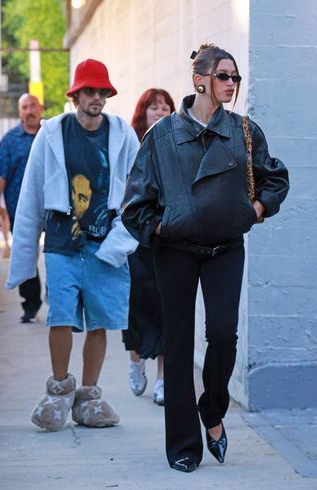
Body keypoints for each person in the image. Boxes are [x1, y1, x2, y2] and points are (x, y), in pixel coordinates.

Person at [121, 43, 289, 472]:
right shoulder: (161, 136)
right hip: (175, 251)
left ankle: (212, 410)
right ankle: (183, 445)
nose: (232, 84)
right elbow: (135, 203)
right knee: (177, 346)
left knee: (224, 335)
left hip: (225, 248)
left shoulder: (245, 132)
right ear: (200, 79)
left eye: (235, 77)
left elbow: (275, 178)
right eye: (224, 76)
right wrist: (166, 225)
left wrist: (252, 211)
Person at [6, 59, 139, 431]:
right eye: (89, 91)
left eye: (101, 92)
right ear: (76, 94)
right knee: (61, 315)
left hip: (104, 244)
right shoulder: (52, 133)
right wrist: (24, 258)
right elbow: (31, 194)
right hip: (63, 242)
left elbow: (139, 191)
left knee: (100, 321)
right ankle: (59, 389)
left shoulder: (122, 133)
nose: (96, 97)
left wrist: (122, 240)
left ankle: (89, 396)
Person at [123, 89, 175, 405]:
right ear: (142, 113)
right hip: (134, 239)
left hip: (168, 237)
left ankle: (163, 380)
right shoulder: (130, 145)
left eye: (165, 107)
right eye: (153, 108)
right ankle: (135, 359)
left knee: (168, 308)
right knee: (136, 305)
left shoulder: (178, 144)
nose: (160, 112)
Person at [0, 94, 43, 321]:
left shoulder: (53, 134)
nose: (29, 110)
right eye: (24, 107)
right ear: (19, 111)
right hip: (21, 211)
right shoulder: (10, 140)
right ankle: (30, 305)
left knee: (59, 256)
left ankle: (59, 299)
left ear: (41, 108)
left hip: (55, 210)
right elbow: (0, 175)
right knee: (26, 256)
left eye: (32, 106)